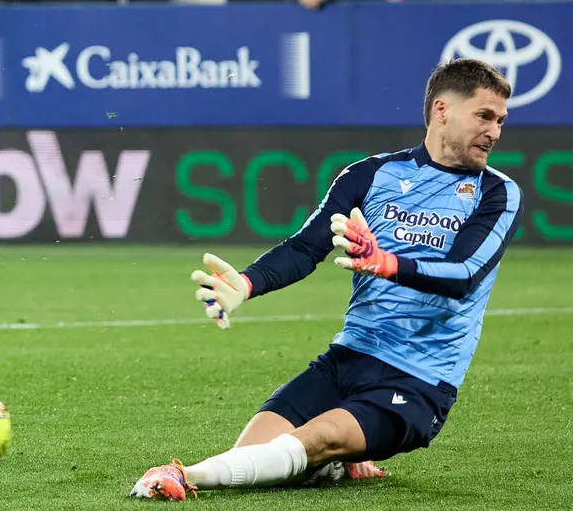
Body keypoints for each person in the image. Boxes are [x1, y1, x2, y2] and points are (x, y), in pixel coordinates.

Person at [131, 58, 521, 500]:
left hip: (417, 379)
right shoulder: (371, 174)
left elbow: (464, 275)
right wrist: (246, 282)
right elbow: (305, 247)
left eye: (501, 120)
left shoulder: (497, 192)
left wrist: (387, 263)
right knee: (259, 460)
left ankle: (181, 475)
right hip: (347, 359)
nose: (495, 131)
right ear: (442, 110)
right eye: (484, 116)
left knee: (312, 440)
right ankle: (338, 464)